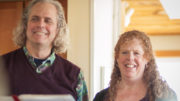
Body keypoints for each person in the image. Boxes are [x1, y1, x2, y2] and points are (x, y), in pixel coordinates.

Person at [1, 0, 88, 101]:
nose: (41, 25)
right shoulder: (2, 66)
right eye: (35, 19)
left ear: (58, 29)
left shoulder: (74, 75)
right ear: (25, 25)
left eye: (48, 20)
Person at [93, 30, 177, 101]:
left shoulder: (164, 97)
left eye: (136, 53)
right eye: (124, 52)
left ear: (147, 58)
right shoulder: (101, 97)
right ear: (117, 58)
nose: (130, 58)